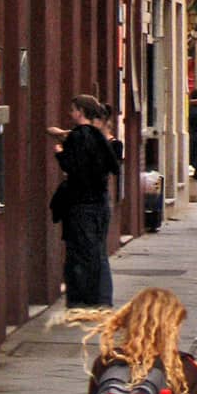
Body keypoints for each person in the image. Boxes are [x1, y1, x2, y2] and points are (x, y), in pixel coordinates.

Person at [49, 95, 120, 308]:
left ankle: (81, 299)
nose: (70, 114)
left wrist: (60, 154)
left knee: (80, 253)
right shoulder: (100, 137)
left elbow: (74, 167)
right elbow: (114, 166)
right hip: (100, 201)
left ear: (80, 111)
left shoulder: (79, 137)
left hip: (81, 203)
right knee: (97, 251)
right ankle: (101, 298)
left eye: (72, 110)